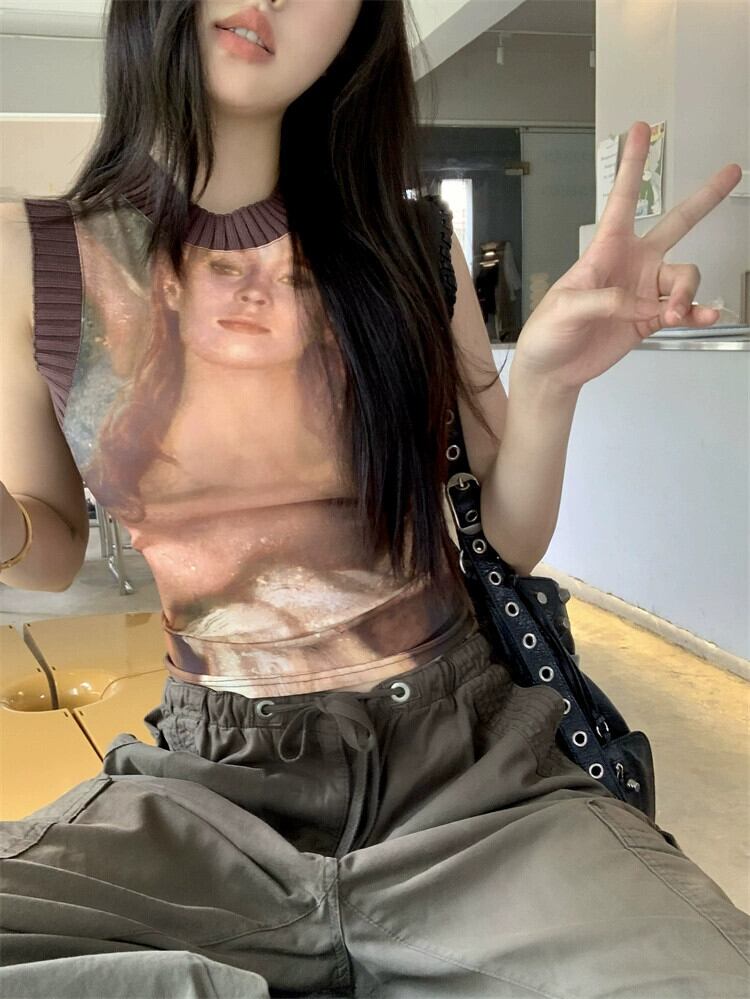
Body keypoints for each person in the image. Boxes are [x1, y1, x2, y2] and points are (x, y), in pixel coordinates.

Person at [0, 1, 747, 996]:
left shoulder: (409, 241)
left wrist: (546, 386)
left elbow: (504, 540)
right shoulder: (32, 256)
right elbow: (51, 546)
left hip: (469, 778)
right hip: (208, 791)